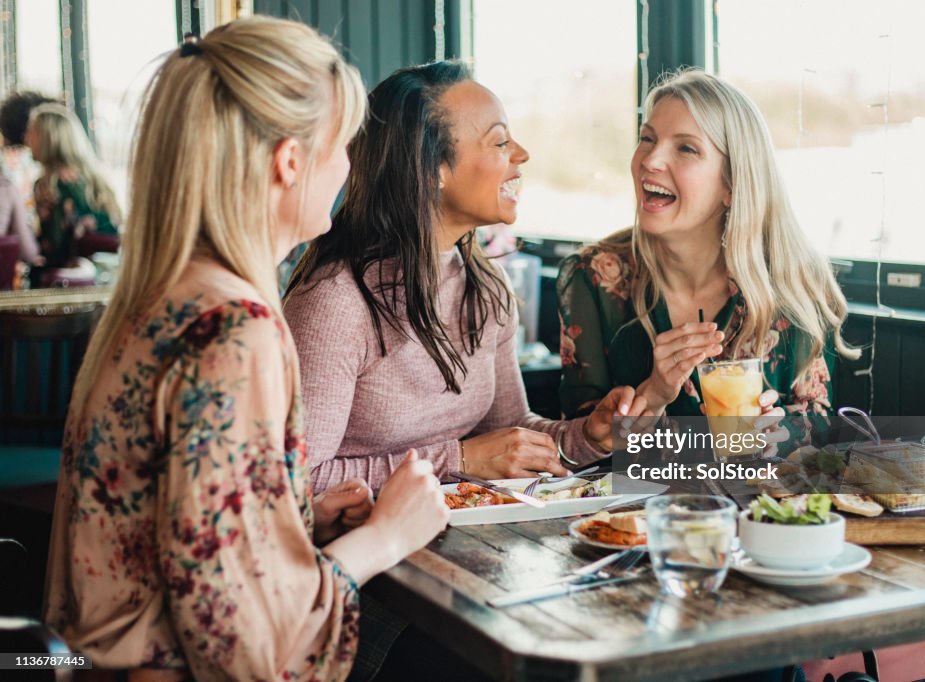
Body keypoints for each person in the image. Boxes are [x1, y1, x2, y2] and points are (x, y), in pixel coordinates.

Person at [44, 17, 449, 681]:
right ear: (291, 161)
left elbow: (176, 538)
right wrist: (387, 537)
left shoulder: (162, 293)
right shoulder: (236, 328)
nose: (348, 169)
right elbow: (247, 654)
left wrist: (289, 517)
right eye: (344, 146)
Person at [284, 61, 648, 496]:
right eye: (499, 141)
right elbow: (295, 482)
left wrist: (588, 437)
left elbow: (511, 436)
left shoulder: (487, 287)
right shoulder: (336, 301)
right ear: (433, 168)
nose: (522, 154)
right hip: (365, 553)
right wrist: (459, 459)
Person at [558, 69, 859, 433]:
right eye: (647, 138)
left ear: (732, 184)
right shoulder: (594, 277)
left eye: (686, 148)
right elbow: (579, 444)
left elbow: (819, 419)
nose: (650, 161)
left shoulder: (792, 277)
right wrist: (653, 395)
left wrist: (782, 435)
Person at [25, 102, 121, 270]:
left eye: (32, 132)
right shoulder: (95, 179)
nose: (26, 139)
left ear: (49, 138)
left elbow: (55, 247)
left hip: (68, 280)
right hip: (106, 272)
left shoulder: (49, 185)